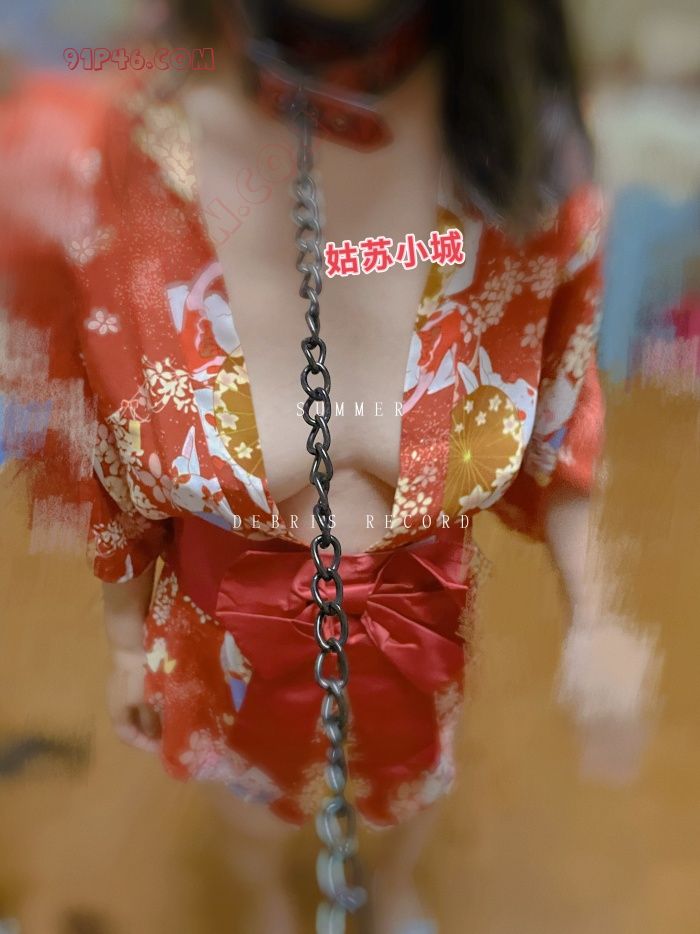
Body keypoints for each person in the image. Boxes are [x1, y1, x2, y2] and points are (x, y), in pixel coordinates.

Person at [0, 1, 609, 931]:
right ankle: (260, 899)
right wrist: (125, 644)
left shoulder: (530, 174)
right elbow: (107, 465)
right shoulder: (95, 169)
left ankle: (393, 890)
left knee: (412, 780)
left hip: (421, 605)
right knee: (244, 800)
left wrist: (596, 617)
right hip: (223, 617)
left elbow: (563, 410)